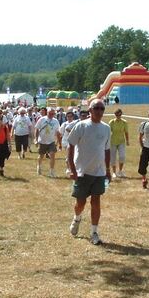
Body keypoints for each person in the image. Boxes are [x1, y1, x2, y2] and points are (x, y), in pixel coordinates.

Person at [67, 99, 111, 246]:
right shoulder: (81, 126)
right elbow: (70, 146)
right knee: (80, 202)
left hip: (99, 172)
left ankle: (94, 232)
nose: (99, 111)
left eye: (102, 109)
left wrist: (108, 170)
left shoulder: (106, 128)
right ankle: (77, 218)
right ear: (90, 110)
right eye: (96, 108)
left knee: (96, 202)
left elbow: (107, 149)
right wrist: (72, 169)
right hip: (82, 172)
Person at [35, 107, 61, 177]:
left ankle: (51, 171)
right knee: (41, 156)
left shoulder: (56, 121)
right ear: (47, 113)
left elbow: (58, 132)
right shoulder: (42, 119)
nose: (51, 115)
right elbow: (37, 129)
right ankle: (39, 166)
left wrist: (59, 143)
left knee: (52, 155)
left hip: (51, 141)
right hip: (42, 141)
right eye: (50, 113)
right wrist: (36, 139)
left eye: (53, 114)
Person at [108, 108, 129, 179]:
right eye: (117, 114)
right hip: (113, 142)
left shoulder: (124, 122)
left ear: (121, 114)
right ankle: (114, 172)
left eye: (120, 114)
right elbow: (108, 133)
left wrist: (127, 141)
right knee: (113, 158)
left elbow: (126, 132)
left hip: (121, 142)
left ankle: (120, 171)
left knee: (122, 156)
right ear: (115, 115)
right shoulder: (111, 122)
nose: (118, 116)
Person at [59, 109, 78, 175]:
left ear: (73, 117)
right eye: (68, 116)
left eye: (70, 116)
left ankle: (72, 168)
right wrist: (59, 143)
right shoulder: (64, 124)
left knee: (74, 155)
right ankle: (68, 168)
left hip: (74, 142)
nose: (69, 118)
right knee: (69, 155)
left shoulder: (76, 123)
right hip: (66, 142)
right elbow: (60, 133)